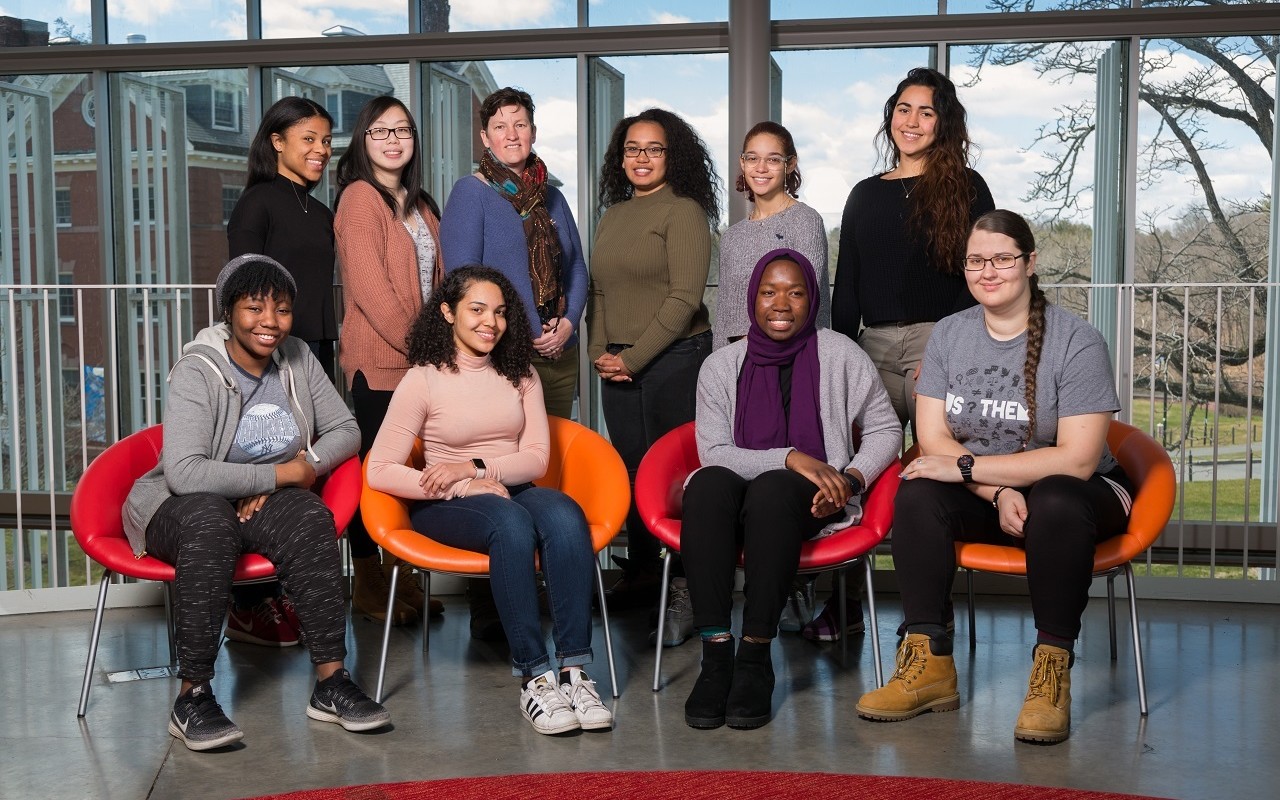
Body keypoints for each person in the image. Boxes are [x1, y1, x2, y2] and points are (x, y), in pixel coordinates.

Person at [855, 210, 1133, 745]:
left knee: (1054, 496)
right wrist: (997, 489)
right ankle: (929, 663)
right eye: (976, 261)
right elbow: (933, 439)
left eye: (1002, 259)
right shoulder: (950, 336)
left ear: (1030, 263)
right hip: (990, 495)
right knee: (916, 493)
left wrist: (968, 468)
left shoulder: (1077, 341)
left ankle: (1051, 671)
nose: (989, 271)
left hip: (1081, 499)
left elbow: (1076, 459)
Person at [123, 254, 389, 751]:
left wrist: (299, 472)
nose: (270, 322)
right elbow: (184, 472)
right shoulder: (197, 371)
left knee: (312, 516)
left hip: (262, 498)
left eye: (282, 310)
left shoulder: (298, 359)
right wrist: (279, 472)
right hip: (180, 507)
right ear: (229, 311)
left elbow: (346, 430)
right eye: (254, 308)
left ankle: (331, 683)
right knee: (209, 519)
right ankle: (193, 695)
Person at [366, 266, 613, 736]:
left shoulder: (520, 374)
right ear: (447, 312)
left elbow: (537, 459)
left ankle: (575, 671)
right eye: (477, 310)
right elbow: (379, 469)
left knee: (565, 516)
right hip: (445, 502)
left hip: (509, 487)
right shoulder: (423, 380)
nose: (490, 323)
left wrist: (477, 469)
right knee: (511, 526)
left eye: (499, 312)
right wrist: (460, 483)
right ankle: (535, 677)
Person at [682, 248, 900, 730]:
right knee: (706, 487)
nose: (781, 303)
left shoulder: (841, 353)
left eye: (796, 292)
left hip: (806, 500)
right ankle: (717, 658)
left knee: (775, 491)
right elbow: (714, 451)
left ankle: (756, 655)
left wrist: (850, 477)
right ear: (751, 299)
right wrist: (789, 456)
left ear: (812, 300)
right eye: (769, 291)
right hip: (741, 490)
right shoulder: (721, 366)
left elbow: (886, 429)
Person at [823, 66, 995, 643]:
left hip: (936, 345)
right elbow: (847, 283)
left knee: (933, 481)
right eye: (903, 108)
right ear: (889, 117)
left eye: (926, 111)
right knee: (853, 475)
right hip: (869, 346)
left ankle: (929, 618)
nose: (912, 121)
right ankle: (844, 604)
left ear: (943, 122)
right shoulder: (865, 194)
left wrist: (946, 353)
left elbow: (979, 277)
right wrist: (841, 356)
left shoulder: (968, 188)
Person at [439, 87, 589, 641]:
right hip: (498, 360)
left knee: (544, 468)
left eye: (520, 123)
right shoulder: (471, 194)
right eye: (499, 126)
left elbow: (576, 270)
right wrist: (520, 333)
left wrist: (568, 322)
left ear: (533, 130)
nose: (511, 134)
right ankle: (492, 606)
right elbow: (462, 282)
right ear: (484, 137)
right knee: (493, 473)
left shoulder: (550, 197)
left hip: (557, 353)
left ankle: (547, 584)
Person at [587, 108, 719, 622]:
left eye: (654, 149)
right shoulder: (614, 215)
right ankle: (643, 572)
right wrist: (603, 354)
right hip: (618, 361)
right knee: (632, 469)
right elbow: (599, 291)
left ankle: (686, 582)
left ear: (672, 156)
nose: (642, 158)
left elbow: (685, 299)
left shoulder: (683, 212)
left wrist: (632, 358)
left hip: (675, 358)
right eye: (632, 149)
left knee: (677, 475)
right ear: (620, 158)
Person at [223, 97, 339, 646]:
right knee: (259, 465)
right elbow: (241, 295)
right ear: (277, 141)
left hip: (313, 353)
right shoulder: (258, 204)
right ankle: (249, 606)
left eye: (325, 141)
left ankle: (283, 592)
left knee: (299, 474)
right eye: (309, 139)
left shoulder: (319, 210)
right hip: (268, 358)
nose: (321, 151)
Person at [713, 120, 831, 638]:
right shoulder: (732, 235)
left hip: (793, 364)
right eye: (752, 158)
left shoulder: (805, 221)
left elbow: (811, 301)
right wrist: (722, 368)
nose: (761, 167)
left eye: (773, 158)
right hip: (743, 365)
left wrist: (815, 367)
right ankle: (763, 577)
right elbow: (725, 308)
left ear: (791, 165)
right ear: (741, 166)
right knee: (749, 469)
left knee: (790, 474)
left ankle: (794, 582)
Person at [334, 95, 445, 627]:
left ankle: (405, 577)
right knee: (373, 475)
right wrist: (424, 351)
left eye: (403, 129)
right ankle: (370, 581)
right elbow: (372, 292)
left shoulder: (422, 205)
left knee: (413, 474)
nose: (394, 139)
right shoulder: (359, 198)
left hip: (424, 365)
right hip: (379, 364)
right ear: (363, 140)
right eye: (381, 131)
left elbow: (439, 287)